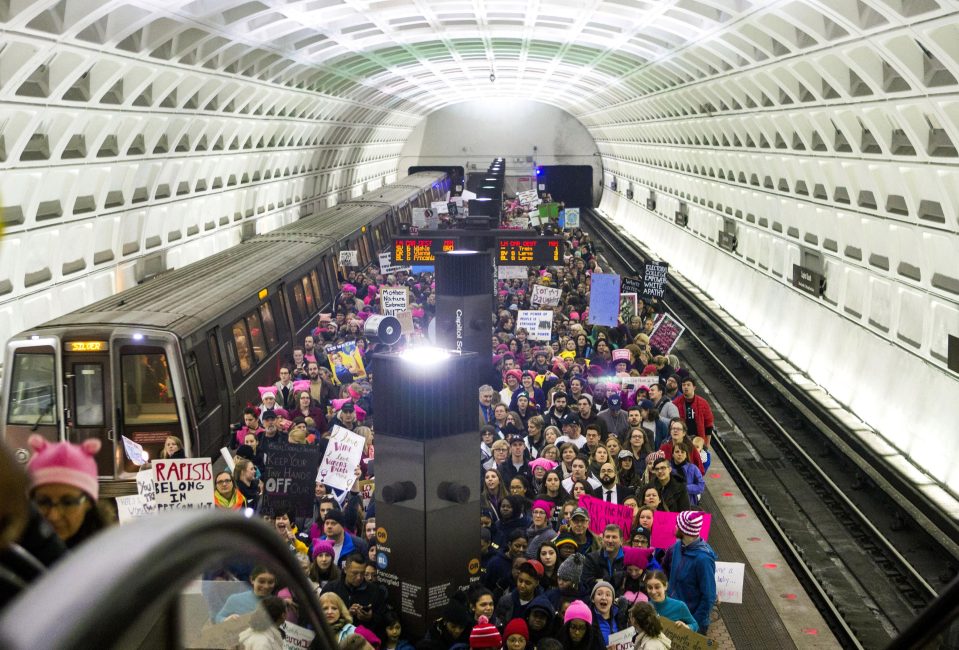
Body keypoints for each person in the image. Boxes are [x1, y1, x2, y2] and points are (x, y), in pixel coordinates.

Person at [26, 434, 109, 548]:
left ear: (89, 503)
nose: (53, 516)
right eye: (43, 502)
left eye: (68, 503)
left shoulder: (110, 555)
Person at [667, 511, 716, 634]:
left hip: (691, 623)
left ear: (685, 530)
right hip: (675, 615)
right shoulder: (678, 546)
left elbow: (708, 597)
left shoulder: (703, 559)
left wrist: (694, 625)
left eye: (677, 525)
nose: (674, 527)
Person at [322, 552, 388, 634]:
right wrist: (347, 615)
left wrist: (371, 617)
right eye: (355, 573)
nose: (359, 577)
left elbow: (383, 620)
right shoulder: (331, 589)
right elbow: (321, 618)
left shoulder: (374, 591)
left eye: (362, 573)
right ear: (345, 569)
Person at [494, 559, 545, 625]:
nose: (522, 585)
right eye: (520, 581)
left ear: (536, 583)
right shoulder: (505, 601)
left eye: (528, 583)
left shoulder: (542, 605)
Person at [672, 378, 715, 448]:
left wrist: (707, 443)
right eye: (683, 385)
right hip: (682, 440)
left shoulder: (703, 403)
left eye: (688, 385)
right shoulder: (676, 403)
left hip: (698, 440)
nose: (685, 387)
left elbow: (709, 424)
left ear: (694, 387)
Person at [581, 524, 625, 591]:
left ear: (621, 541)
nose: (610, 541)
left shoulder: (628, 560)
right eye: (607, 537)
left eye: (614, 537)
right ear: (602, 539)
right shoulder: (591, 559)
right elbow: (587, 583)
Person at [590, 580, 627, 646]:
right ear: (593, 599)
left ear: (612, 601)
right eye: (599, 594)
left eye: (608, 595)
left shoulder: (621, 618)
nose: (604, 598)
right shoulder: (588, 621)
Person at [669, 441, 705, 507]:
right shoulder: (667, 468)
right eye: (677, 452)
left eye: (682, 452)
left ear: (686, 455)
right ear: (672, 454)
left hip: (689, 504)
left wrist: (684, 488)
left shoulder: (693, 468)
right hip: (671, 504)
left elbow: (701, 486)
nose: (679, 454)